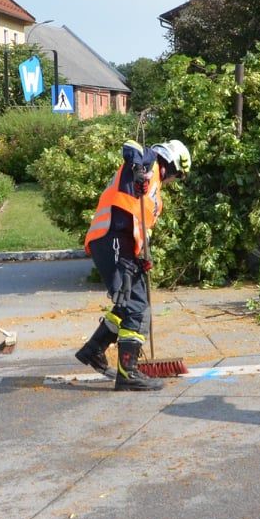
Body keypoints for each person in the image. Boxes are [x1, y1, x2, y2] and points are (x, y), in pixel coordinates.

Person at [75, 138, 192, 391]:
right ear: (172, 164)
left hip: (121, 244)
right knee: (136, 306)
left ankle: (94, 349)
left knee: (129, 303)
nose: (175, 181)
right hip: (110, 237)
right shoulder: (147, 162)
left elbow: (138, 227)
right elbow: (131, 147)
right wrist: (139, 170)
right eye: (178, 176)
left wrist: (141, 258)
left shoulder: (155, 189)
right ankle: (127, 373)